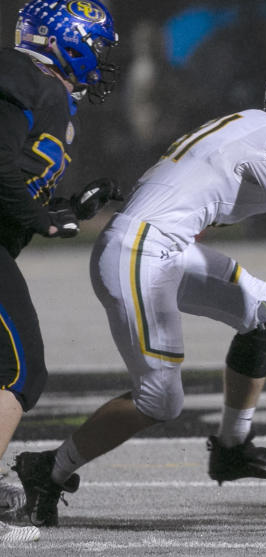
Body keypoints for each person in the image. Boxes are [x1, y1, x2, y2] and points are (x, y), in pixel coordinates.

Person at [13, 63, 266, 527]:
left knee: (265, 310)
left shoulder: (247, 124)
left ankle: (233, 448)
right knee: (160, 399)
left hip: (151, 245)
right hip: (142, 252)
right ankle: (49, 470)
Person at [0, 0, 120, 543]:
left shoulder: (38, 84)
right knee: (19, 372)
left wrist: (69, 210)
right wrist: (41, 222)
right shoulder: (21, 76)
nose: (100, 61)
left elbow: (18, 180)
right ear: (65, 40)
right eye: (96, 47)